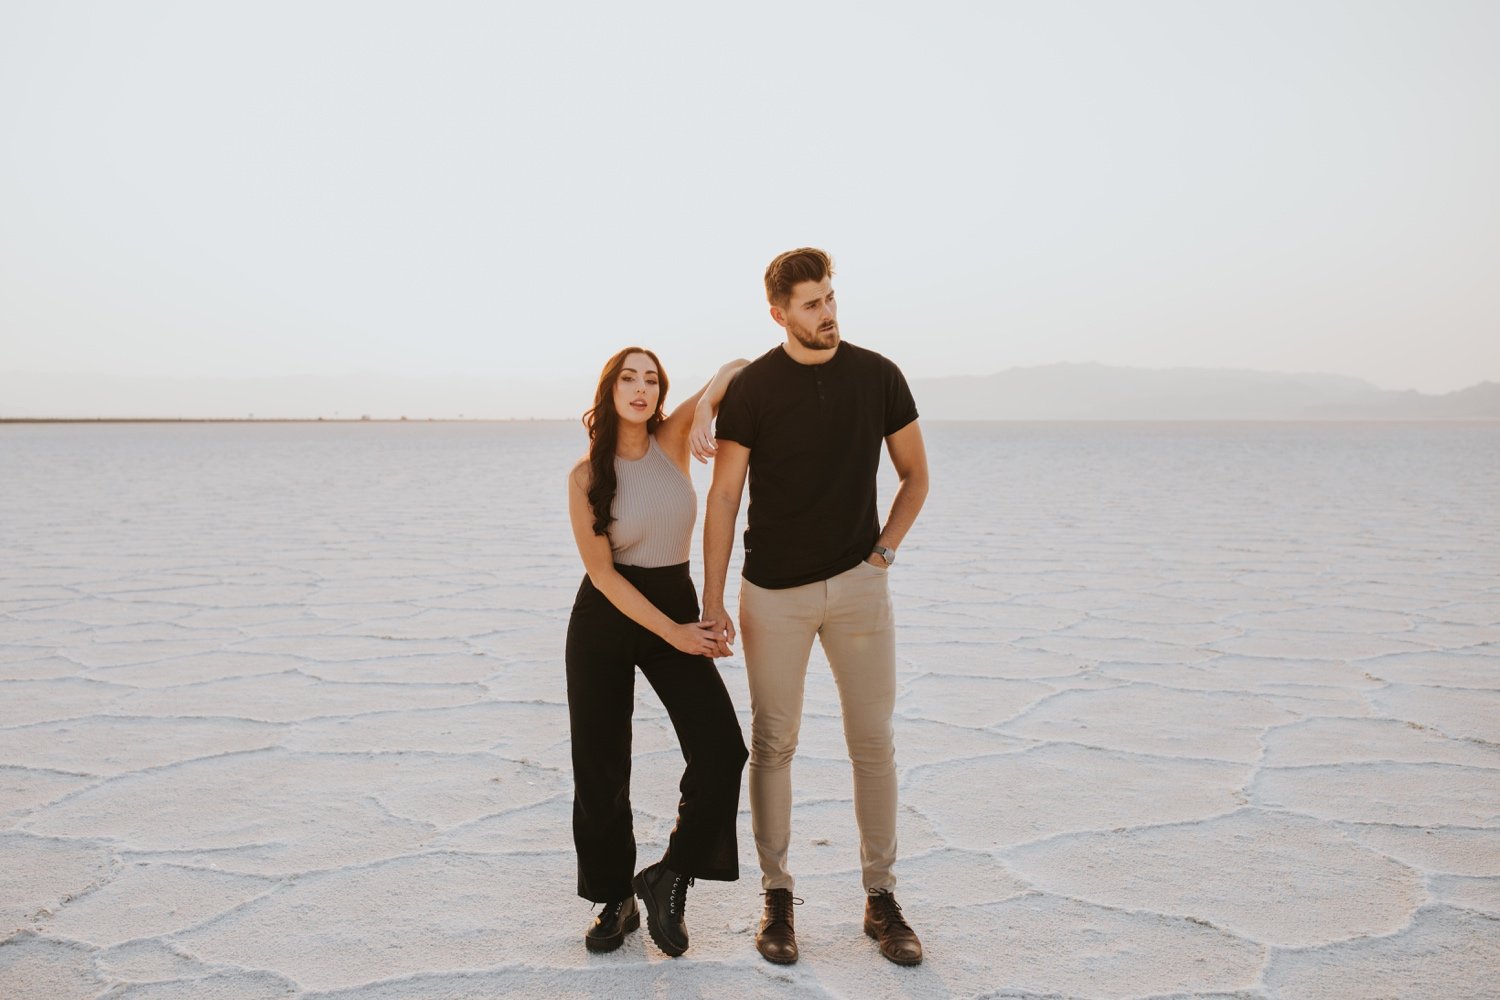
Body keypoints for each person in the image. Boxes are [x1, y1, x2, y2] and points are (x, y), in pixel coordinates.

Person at [695, 248, 930, 966]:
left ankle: (881, 899)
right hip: (772, 596)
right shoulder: (755, 388)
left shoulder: (879, 375)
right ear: (779, 314)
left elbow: (916, 475)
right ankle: (777, 897)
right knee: (773, 744)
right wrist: (712, 599)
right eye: (810, 304)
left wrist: (882, 555)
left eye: (830, 298)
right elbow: (725, 497)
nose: (827, 312)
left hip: (860, 590)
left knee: (873, 743)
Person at [565, 346, 750, 957]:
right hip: (607, 614)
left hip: (674, 597)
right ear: (609, 389)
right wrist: (673, 632)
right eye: (628, 378)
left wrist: (703, 414)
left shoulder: (673, 438)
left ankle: (671, 874)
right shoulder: (586, 476)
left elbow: (737, 368)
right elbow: (604, 576)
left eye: (652, 380)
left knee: (723, 749)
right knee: (600, 764)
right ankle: (613, 898)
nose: (640, 389)